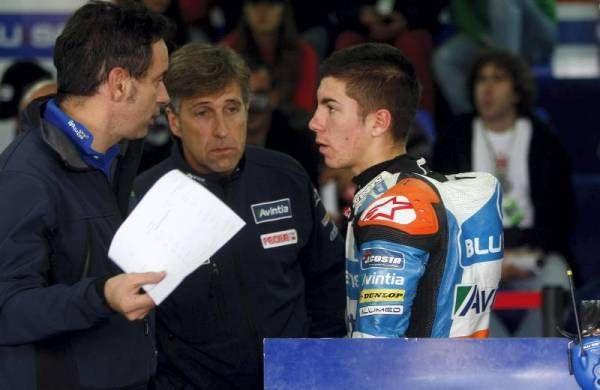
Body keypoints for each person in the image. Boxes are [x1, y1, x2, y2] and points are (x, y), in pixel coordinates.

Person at [134, 43, 345, 389]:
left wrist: (319, 362)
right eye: (203, 113)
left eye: (232, 108)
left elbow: (329, 278)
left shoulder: (286, 175)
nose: (222, 129)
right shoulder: (145, 197)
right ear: (174, 121)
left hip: (294, 380)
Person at [0, 2, 171, 388]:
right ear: (119, 83)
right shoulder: (23, 179)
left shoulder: (118, 156)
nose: (164, 96)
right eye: (158, 79)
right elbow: (7, 309)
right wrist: (101, 296)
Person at [309, 42, 503, 338]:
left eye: (330, 107)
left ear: (379, 122)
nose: (314, 122)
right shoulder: (424, 190)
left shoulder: (395, 209)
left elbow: (377, 352)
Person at [432, 48, 574, 336]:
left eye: (498, 79)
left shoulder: (544, 139)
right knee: (447, 292)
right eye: (481, 79)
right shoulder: (454, 138)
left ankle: (532, 361)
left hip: (532, 251)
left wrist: (525, 251)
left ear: (517, 91)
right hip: (470, 256)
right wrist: (488, 256)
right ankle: (495, 363)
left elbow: (561, 212)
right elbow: (440, 207)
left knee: (558, 281)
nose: (487, 88)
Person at [434, 0, 556, 114]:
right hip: (490, 36)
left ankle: (507, 100)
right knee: (445, 59)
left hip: (535, 36)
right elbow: (461, 12)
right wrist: (482, 36)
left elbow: (547, 10)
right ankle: (477, 119)